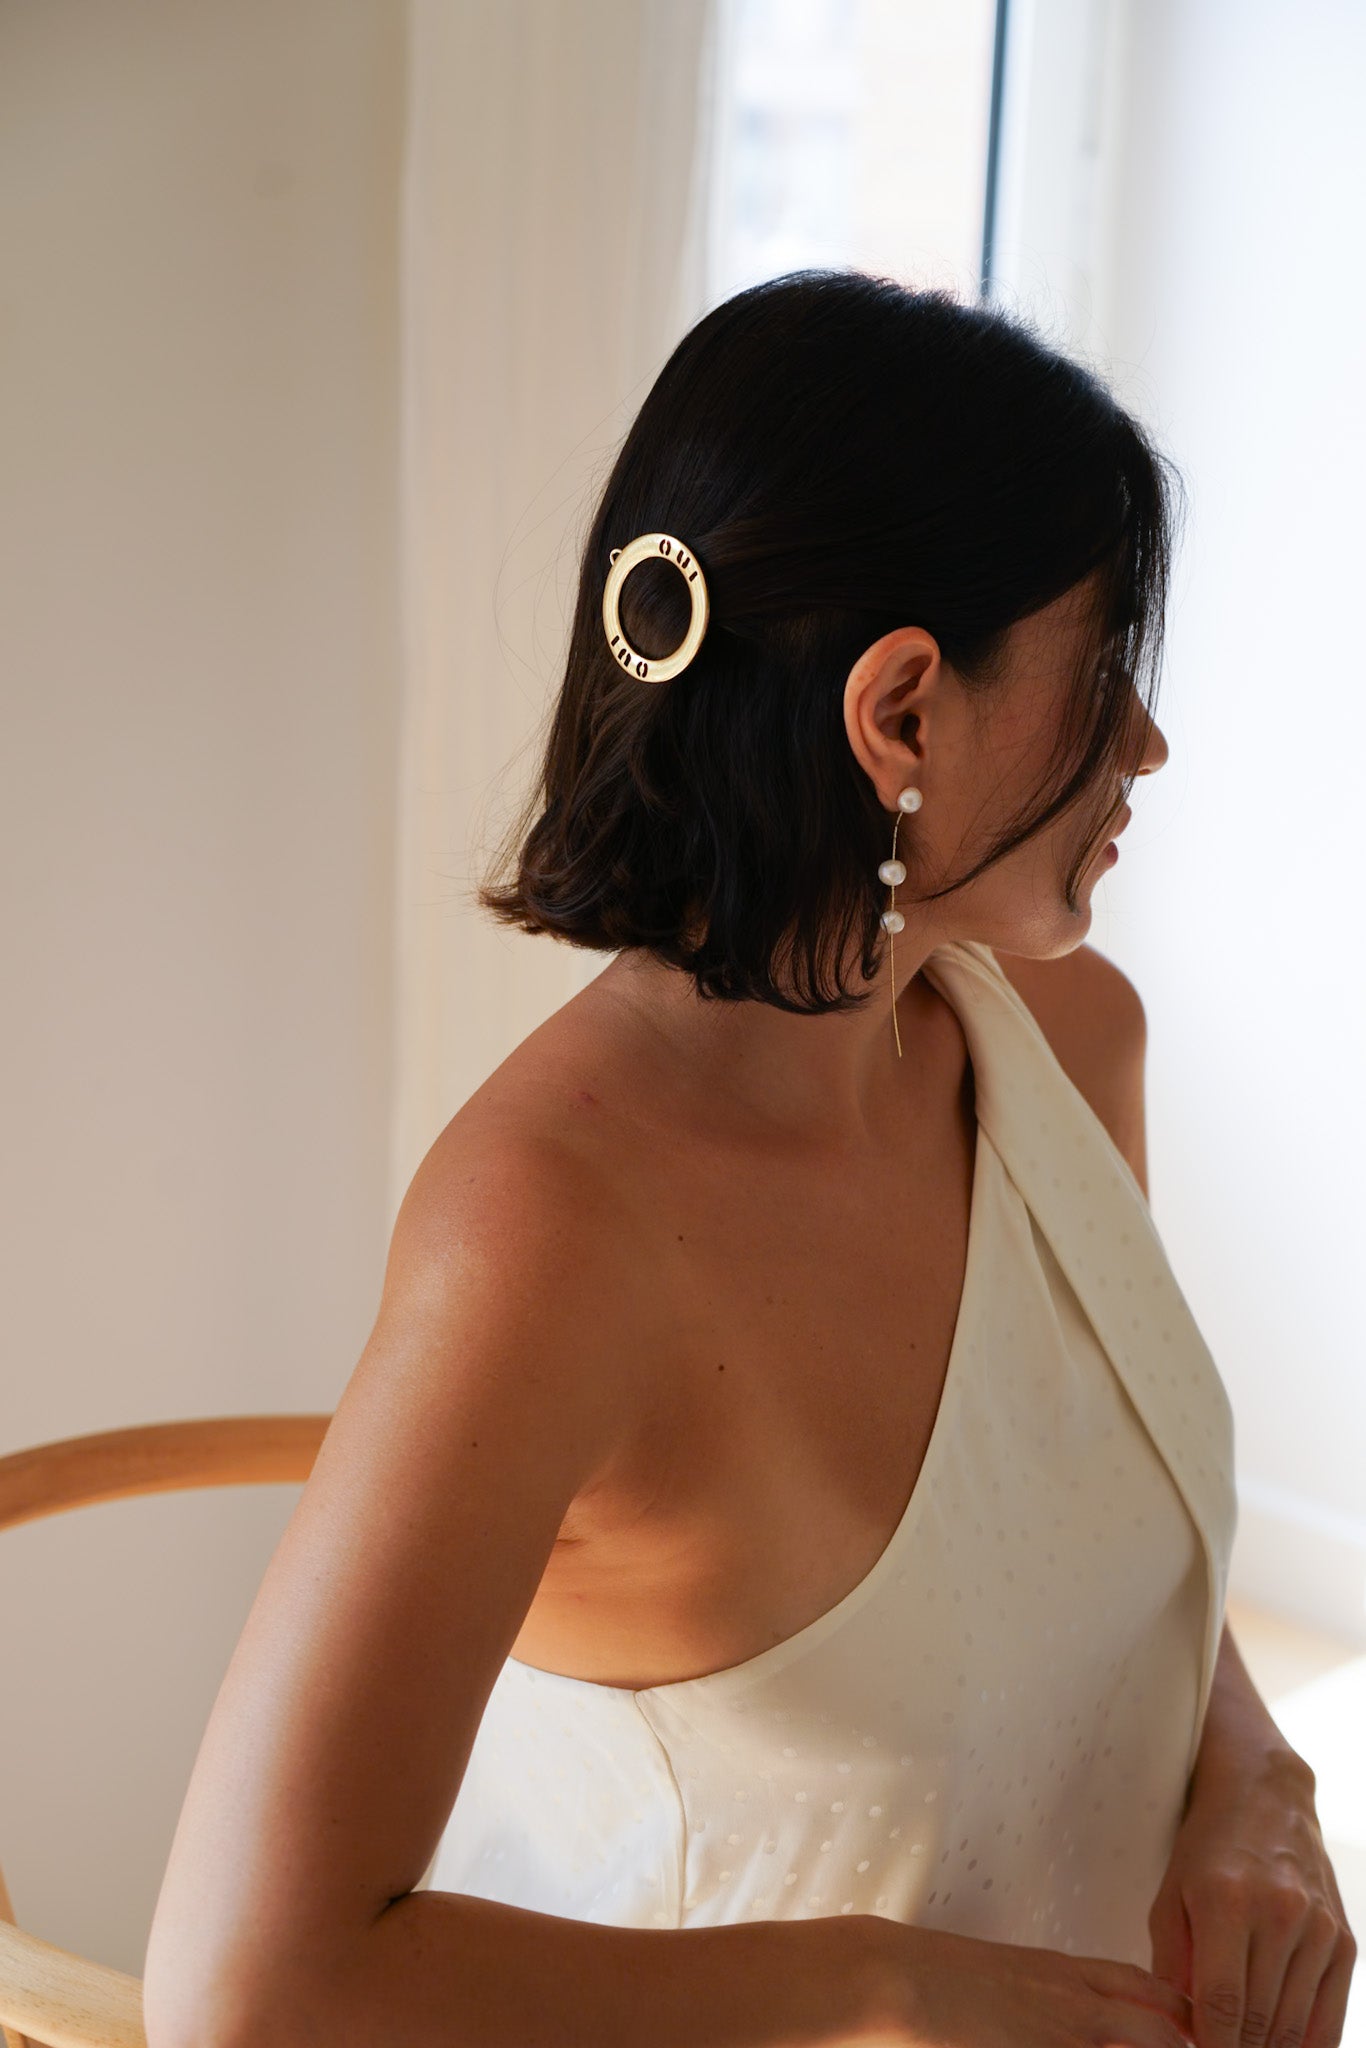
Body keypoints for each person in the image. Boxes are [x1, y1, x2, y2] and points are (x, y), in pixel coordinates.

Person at [143, 272, 1355, 2048]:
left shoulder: (1071, 1037)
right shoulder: (552, 1231)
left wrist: (1254, 1778)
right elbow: (243, 1987)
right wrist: (870, 1981)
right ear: (901, 714)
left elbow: (1111, 1527)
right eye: (1107, 672)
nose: (1145, 743)